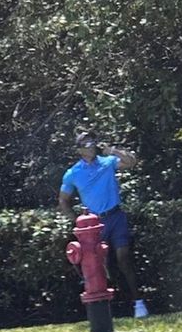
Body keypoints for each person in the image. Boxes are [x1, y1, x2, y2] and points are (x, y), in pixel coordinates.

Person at [57, 132, 146, 317]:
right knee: (99, 265)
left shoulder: (107, 162)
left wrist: (112, 150)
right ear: (79, 149)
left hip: (115, 216)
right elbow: (63, 201)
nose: (90, 145)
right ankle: (111, 307)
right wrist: (78, 222)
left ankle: (139, 303)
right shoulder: (73, 173)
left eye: (92, 141)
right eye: (86, 142)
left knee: (124, 258)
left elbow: (131, 162)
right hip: (94, 224)